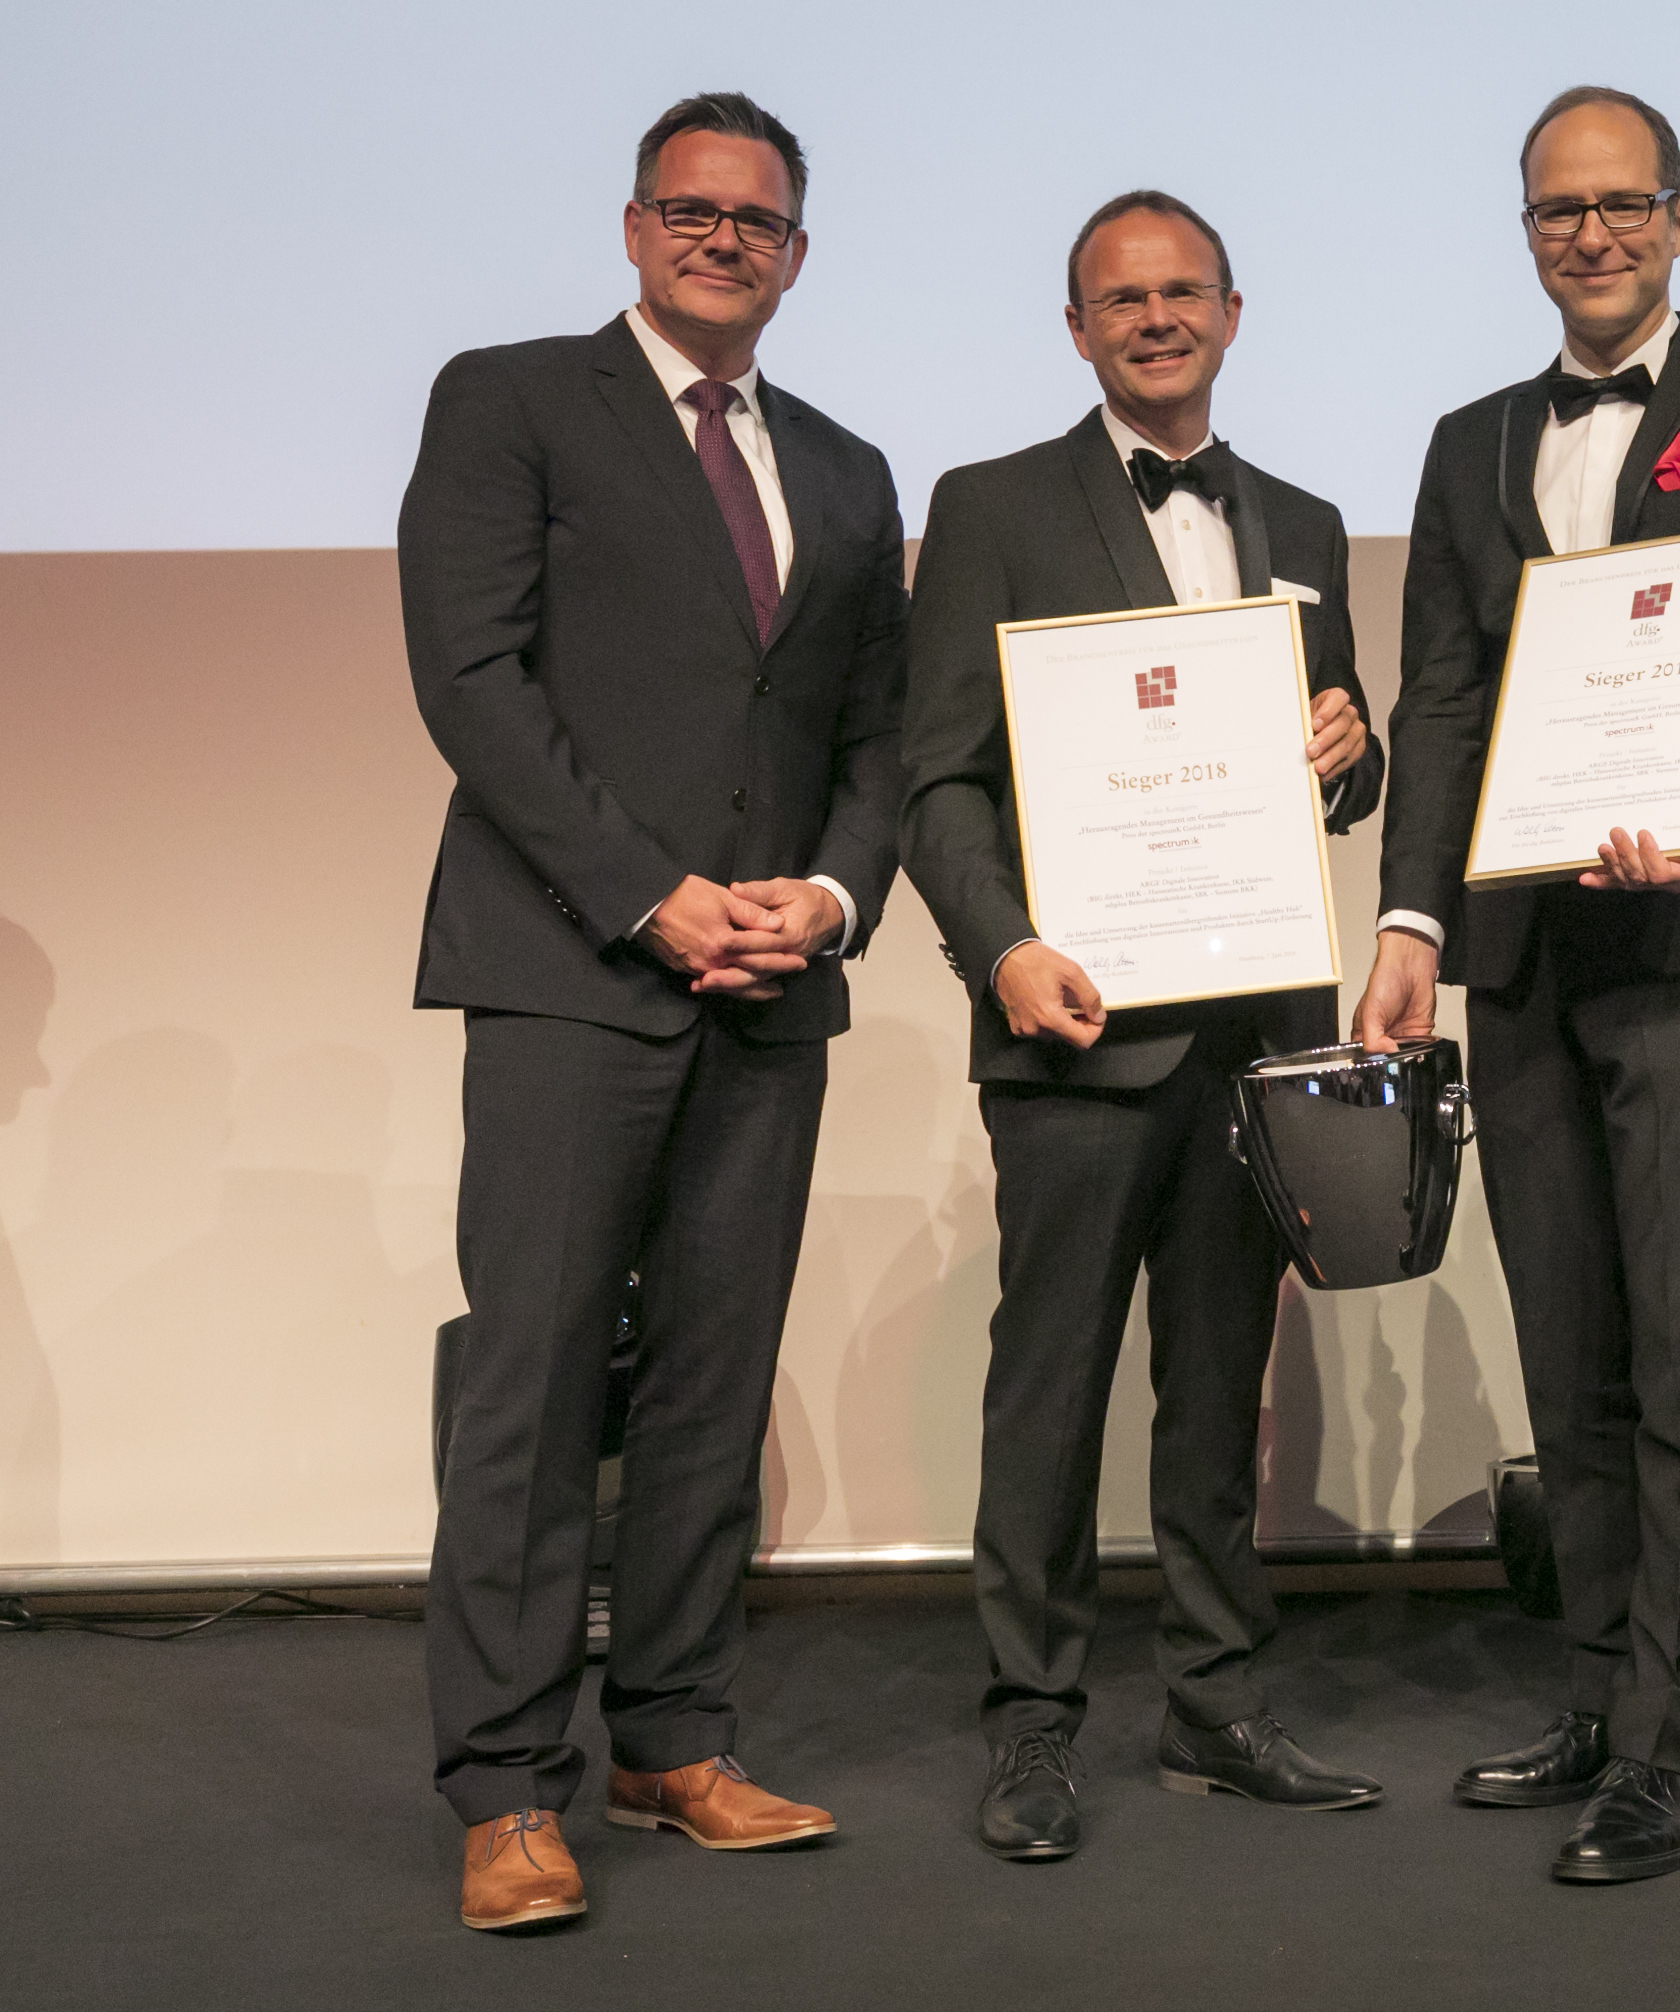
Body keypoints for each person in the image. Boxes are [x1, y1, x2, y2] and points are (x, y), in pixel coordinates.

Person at [399, 91, 908, 1931]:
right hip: (570, 974)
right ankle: (504, 1789)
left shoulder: (846, 468)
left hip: (769, 992)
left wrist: (827, 898)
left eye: (753, 220)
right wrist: (646, 894)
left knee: (711, 1380)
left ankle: (675, 1740)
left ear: (796, 254)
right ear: (633, 229)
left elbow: (874, 732)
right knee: (533, 1389)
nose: (720, 240)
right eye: (689, 211)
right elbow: (472, 679)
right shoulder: (511, 399)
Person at [1354, 85, 1680, 1884]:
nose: (1591, 234)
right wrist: (1408, 923)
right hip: (1516, 951)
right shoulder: (1470, 439)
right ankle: (1596, 1687)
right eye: (1558, 210)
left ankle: (1674, 1734)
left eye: (1621, 204)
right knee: (1568, 1352)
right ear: (1527, 233)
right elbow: (1439, 696)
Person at [899, 190, 1388, 1863]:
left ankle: (1214, 1701)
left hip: (1252, 1031)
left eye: (1184, 293)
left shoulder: (1303, 518)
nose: (1157, 318)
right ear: (1077, 328)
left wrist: (1354, 752)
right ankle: (1033, 1721)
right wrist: (1001, 948)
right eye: (1123, 298)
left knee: (1217, 1385)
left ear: (1233, 314)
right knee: (1048, 1386)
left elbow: (1338, 771)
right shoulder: (990, 507)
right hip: (1076, 1028)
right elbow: (939, 773)